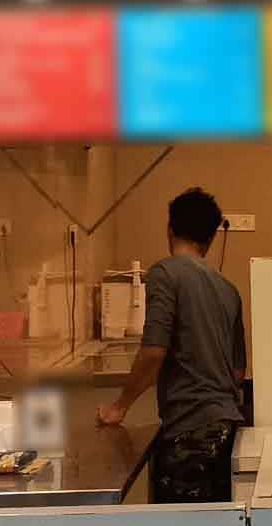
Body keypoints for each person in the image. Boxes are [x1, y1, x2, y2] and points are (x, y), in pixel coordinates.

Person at [97, 187, 246, 502]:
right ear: (211, 238)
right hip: (226, 429)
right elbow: (237, 371)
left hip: (190, 433)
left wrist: (119, 406)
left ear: (170, 228)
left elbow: (154, 351)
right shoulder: (228, 289)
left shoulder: (164, 274)